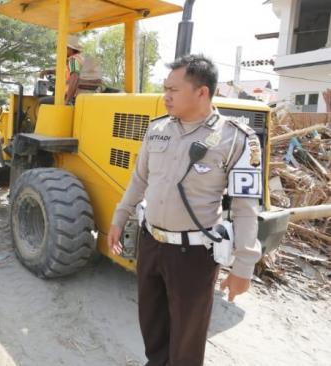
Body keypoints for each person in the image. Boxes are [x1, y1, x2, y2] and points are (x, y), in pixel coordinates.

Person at [107, 54, 263, 366]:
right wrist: (118, 218)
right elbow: (139, 181)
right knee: (152, 325)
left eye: (173, 90)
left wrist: (244, 267)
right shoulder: (157, 129)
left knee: (187, 340)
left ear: (201, 92)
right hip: (151, 242)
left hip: (193, 255)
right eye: (165, 88)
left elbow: (246, 209)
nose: (165, 96)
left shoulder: (237, 139)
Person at [39, 35, 102, 105]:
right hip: (81, 95)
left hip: (73, 97)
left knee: (42, 101)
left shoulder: (73, 60)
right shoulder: (79, 59)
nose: (60, 50)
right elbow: (66, 72)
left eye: (63, 48)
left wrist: (67, 100)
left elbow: (74, 78)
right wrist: (49, 71)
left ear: (70, 49)